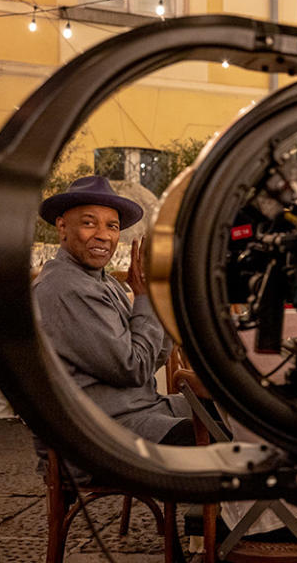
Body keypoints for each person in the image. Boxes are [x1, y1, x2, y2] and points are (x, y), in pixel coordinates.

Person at [33, 176, 193, 453]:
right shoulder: (65, 287)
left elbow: (151, 357)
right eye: (88, 222)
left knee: (239, 412)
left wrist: (157, 299)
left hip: (141, 410)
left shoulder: (105, 282)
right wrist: (144, 299)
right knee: (232, 441)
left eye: (112, 226)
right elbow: (134, 368)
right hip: (102, 435)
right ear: (62, 227)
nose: (103, 235)